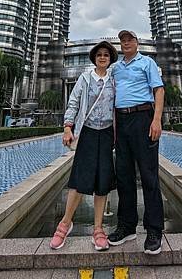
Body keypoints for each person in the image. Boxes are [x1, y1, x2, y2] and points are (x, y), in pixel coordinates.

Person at [50, 40, 118, 251]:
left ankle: (98, 229)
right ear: (94, 58)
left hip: (107, 133)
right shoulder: (85, 78)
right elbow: (74, 102)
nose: (103, 57)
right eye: (99, 54)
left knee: (103, 181)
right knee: (80, 179)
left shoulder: (114, 80)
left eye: (106, 54)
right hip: (87, 132)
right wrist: (68, 126)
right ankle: (64, 224)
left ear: (110, 59)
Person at [108, 30, 165, 255]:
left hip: (143, 118)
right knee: (124, 176)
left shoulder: (147, 62)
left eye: (129, 39)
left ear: (137, 43)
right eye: (123, 41)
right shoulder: (117, 68)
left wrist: (157, 120)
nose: (126, 43)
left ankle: (154, 231)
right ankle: (127, 226)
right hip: (121, 121)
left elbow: (158, 90)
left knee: (149, 176)